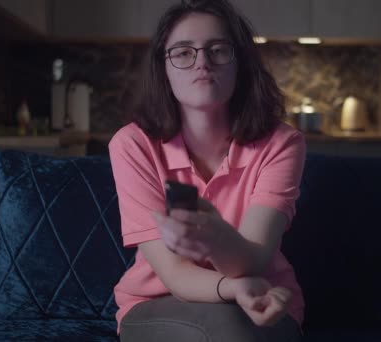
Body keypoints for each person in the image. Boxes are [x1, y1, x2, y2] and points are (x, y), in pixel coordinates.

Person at [108, 0, 305, 340]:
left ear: (240, 63)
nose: (202, 62)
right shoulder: (132, 145)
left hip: (264, 300)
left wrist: (215, 237)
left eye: (218, 50)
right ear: (163, 68)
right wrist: (232, 287)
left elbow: (254, 260)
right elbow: (173, 274)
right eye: (183, 52)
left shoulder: (282, 144)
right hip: (158, 301)